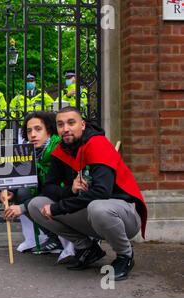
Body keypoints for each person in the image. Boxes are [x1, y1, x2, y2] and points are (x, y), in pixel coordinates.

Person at [26, 107, 147, 281]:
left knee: (98, 207)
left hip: (121, 214)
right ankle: (87, 249)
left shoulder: (98, 144)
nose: (65, 128)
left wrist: (58, 208)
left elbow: (101, 192)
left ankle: (125, 256)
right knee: (36, 205)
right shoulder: (61, 150)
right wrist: (71, 190)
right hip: (89, 212)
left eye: (71, 123)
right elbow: (48, 187)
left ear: (82, 125)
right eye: (60, 124)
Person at [1, 111, 74, 261]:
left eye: (38, 129)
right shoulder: (32, 151)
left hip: (66, 198)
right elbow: (22, 177)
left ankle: (74, 241)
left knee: (29, 200)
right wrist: (10, 191)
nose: (33, 135)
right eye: (29, 131)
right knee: (22, 193)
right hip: (48, 195)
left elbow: (55, 189)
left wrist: (22, 207)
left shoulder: (58, 148)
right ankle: (54, 238)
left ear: (49, 130)